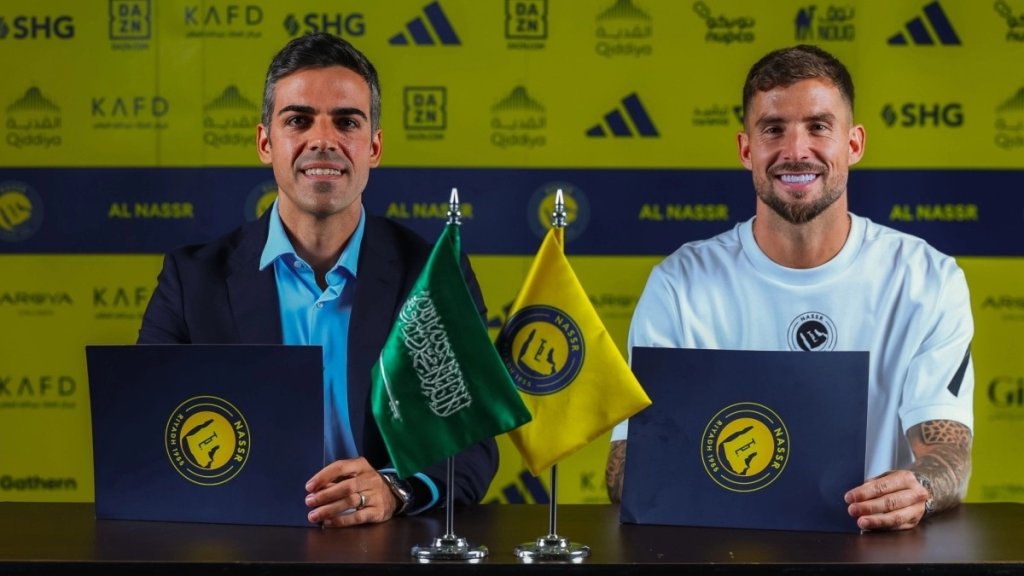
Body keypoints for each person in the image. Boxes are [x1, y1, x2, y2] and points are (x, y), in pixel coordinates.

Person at [606, 45, 973, 532]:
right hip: (721, 552)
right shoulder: (679, 285)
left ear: (854, 144)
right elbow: (627, 467)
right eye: (773, 129)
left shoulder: (928, 279)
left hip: (872, 546)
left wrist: (916, 490)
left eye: (818, 126)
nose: (796, 151)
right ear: (746, 150)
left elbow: (947, 451)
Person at [138, 32, 497, 527]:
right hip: (238, 541)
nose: (323, 140)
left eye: (346, 122)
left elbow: (471, 441)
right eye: (298, 120)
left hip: (385, 543)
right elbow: (146, 435)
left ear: (374, 146)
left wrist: (393, 490)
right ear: (265, 143)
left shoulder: (432, 277)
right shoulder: (191, 281)